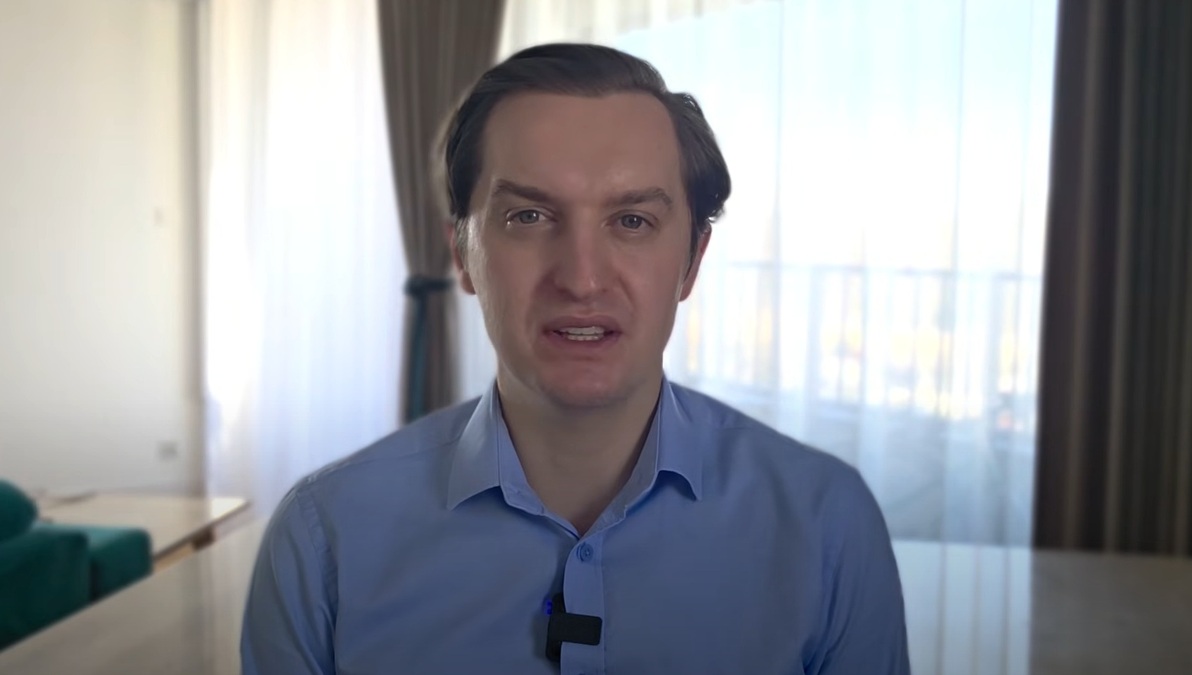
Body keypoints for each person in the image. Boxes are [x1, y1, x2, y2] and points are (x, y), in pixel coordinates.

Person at [242, 43, 909, 675]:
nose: (582, 279)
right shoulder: (323, 541)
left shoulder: (827, 524)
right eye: (529, 217)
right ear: (462, 255)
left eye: (632, 221)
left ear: (692, 262)